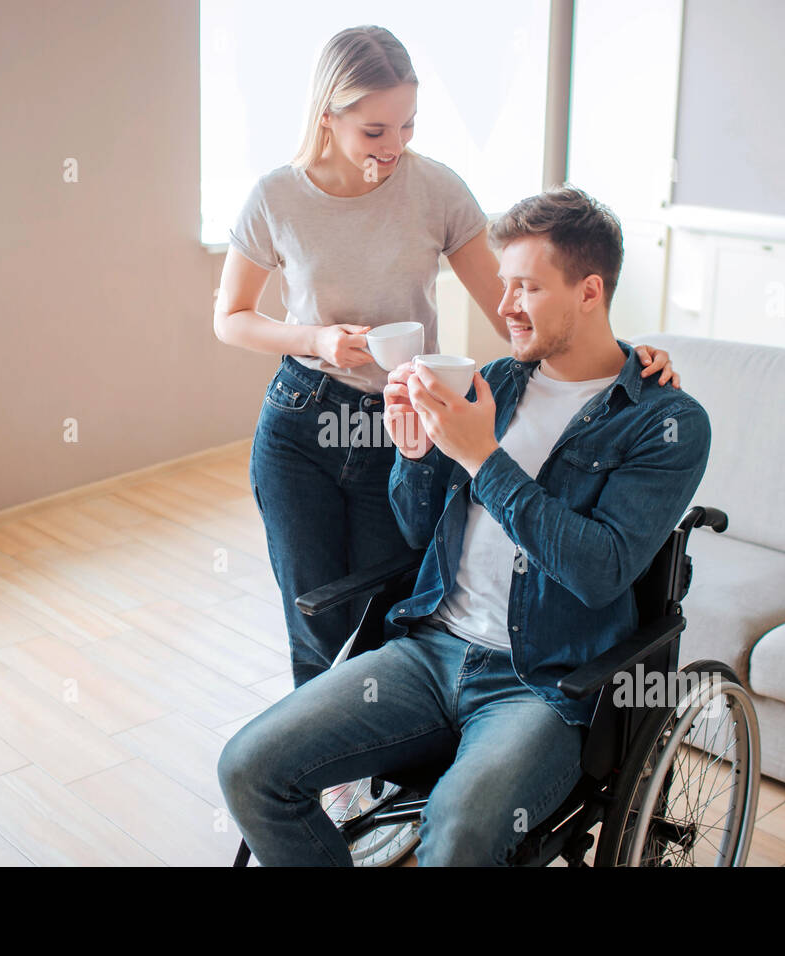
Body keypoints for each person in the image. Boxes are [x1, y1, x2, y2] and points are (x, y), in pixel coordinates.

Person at [218, 185, 712, 866]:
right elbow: (419, 532)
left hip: (541, 684)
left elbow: (598, 571)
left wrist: (482, 455)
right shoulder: (493, 383)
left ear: (589, 291)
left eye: (527, 288)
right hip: (428, 652)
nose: (502, 306)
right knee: (248, 767)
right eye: (503, 283)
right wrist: (416, 453)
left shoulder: (665, 422)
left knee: (459, 831)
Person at [213, 25, 680, 691]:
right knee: (312, 607)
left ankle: (376, 745)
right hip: (303, 421)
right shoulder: (276, 198)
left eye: (408, 125)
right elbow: (229, 318)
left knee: (390, 600)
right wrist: (315, 340)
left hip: (405, 420)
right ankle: (330, 774)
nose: (395, 146)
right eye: (375, 131)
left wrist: (621, 358)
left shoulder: (435, 190)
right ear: (328, 116)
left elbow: (517, 309)